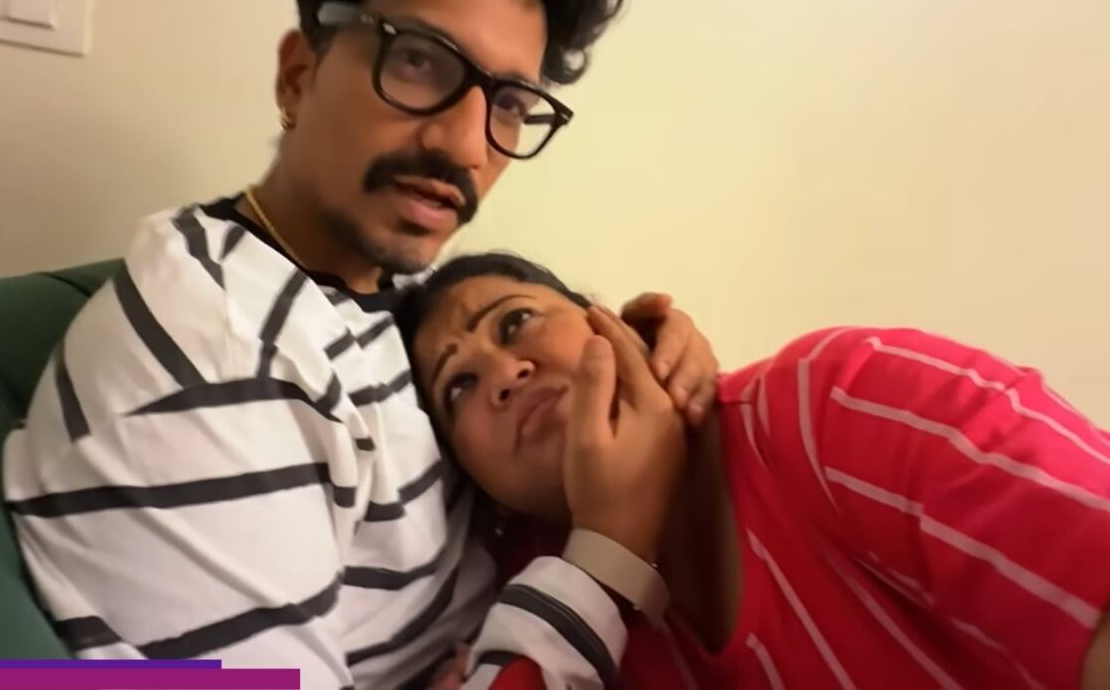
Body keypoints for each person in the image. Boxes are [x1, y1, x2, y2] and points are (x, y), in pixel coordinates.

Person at [2, 0, 719, 690]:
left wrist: (645, 363)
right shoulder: (217, 352)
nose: (467, 145)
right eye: (419, 59)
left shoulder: (376, 304)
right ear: (298, 75)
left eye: (508, 104)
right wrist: (612, 549)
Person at [398, 252, 1110, 690]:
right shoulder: (534, 608)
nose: (503, 372)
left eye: (515, 322)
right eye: (459, 386)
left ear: (614, 323)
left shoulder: (840, 400)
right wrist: (604, 552)